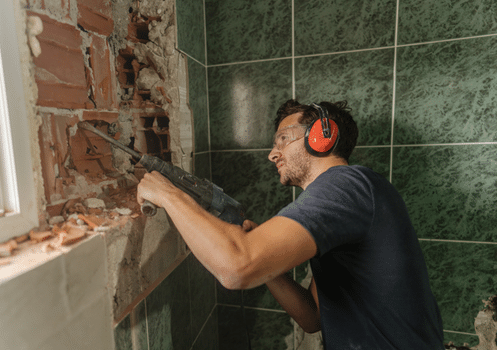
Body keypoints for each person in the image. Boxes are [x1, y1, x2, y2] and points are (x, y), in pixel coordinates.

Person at [137, 99, 445, 349]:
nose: (273, 154)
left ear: (321, 136)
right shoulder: (346, 204)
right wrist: (270, 270)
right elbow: (312, 318)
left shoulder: (346, 184)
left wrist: (170, 195)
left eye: (283, 139)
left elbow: (235, 267)